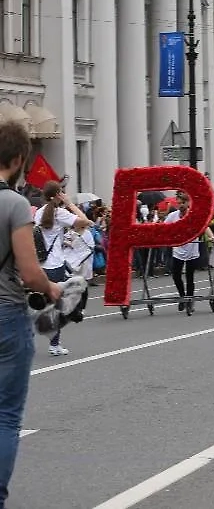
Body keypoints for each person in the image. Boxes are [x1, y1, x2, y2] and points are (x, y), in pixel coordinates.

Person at [0, 124, 61, 508]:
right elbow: (29, 272)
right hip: (6, 314)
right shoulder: (15, 204)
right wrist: (53, 289)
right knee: (5, 414)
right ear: (20, 159)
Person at [34, 181, 91, 355]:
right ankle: (55, 343)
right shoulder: (60, 213)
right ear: (58, 195)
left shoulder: (39, 212)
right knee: (60, 304)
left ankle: (38, 340)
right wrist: (69, 203)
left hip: (41, 265)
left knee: (42, 305)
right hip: (56, 266)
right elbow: (86, 222)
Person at [164, 196, 214, 313]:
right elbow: (164, 227)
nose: (180, 205)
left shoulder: (194, 215)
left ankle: (190, 300)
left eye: (183, 203)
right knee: (176, 275)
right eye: (179, 203)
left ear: (188, 203)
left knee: (189, 276)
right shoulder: (173, 216)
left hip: (192, 249)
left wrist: (211, 237)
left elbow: (204, 227)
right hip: (177, 249)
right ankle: (183, 297)